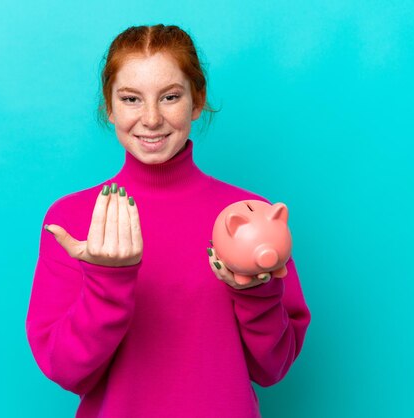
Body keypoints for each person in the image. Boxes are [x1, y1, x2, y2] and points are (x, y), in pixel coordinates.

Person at [26, 24, 311, 418]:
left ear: (197, 102)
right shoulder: (72, 219)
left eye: (170, 97)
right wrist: (108, 282)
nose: (152, 118)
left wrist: (254, 293)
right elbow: (66, 370)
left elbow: (272, 367)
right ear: (109, 107)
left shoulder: (249, 216)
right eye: (131, 99)